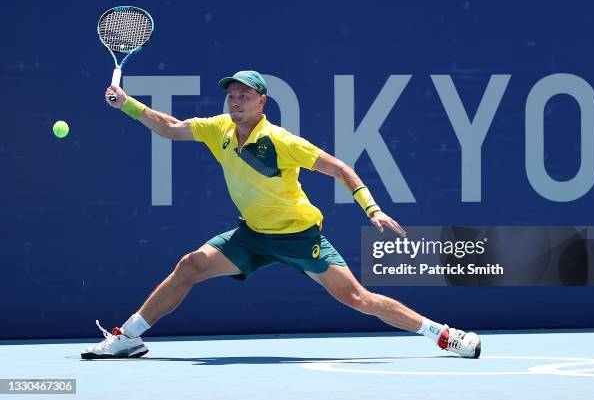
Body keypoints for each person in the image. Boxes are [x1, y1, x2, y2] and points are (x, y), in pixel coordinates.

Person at [82, 70, 481, 359]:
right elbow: (170, 128)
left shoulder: (281, 141)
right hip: (252, 234)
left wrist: (371, 208)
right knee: (190, 265)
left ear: (262, 102)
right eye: (232, 95)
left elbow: (340, 168)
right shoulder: (217, 128)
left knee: (358, 298)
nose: (235, 101)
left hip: (299, 237)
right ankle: (128, 336)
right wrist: (127, 105)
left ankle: (445, 335)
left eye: (244, 95)